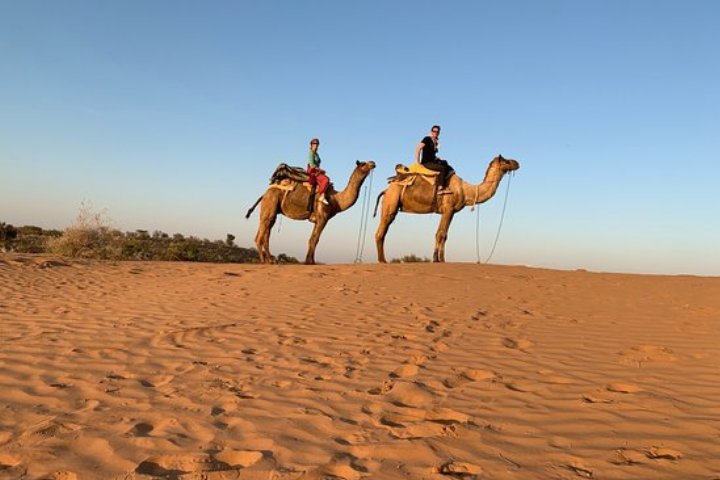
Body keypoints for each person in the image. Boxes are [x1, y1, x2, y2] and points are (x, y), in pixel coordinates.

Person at [415, 125, 452, 192]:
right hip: (426, 162)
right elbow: (418, 148)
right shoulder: (427, 139)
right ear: (431, 132)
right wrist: (418, 162)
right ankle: (440, 187)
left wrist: (436, 157)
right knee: (442, 168)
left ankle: (447, 183)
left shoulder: (436, 142)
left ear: (439, 133)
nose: (436, 133)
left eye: (437, 132)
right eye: (434, 131)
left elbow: (431, 153)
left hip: (433, 161)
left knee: (446, 164)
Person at [306, 138, 330, 205]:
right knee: (326, 179)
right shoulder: (311, 153)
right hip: (312, 171)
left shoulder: (316, 153)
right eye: (314, 144)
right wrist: (320, 170)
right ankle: (320, 195)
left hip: (317, 171)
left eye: (317, 144)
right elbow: (312, 165)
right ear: (311, 145)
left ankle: (322, 194)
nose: (316, 145)